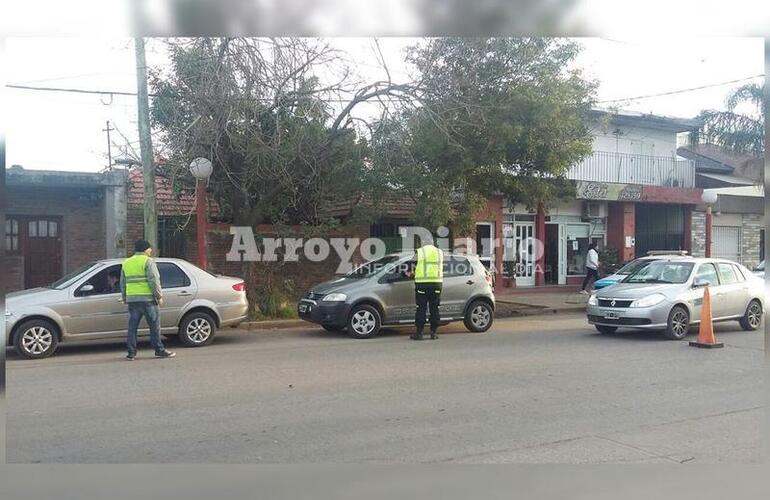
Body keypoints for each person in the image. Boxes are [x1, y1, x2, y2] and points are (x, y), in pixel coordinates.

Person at [120, 239, 175, 360]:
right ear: (145, 249)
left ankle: (131, 353)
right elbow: (154, 280)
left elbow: (123, 282)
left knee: (132, 328)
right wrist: (159, 296)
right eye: (149, 248)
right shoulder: (148, 261)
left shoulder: (126, 262)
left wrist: (125, 297)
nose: (151, 250)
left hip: (133, 300)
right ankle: (159, 350)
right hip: (148, 300)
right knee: (154, 326)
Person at [410, 243, 444, 341]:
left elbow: (411, 267)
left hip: (422, 284)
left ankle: (419, 333)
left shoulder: (420, 252)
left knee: (421, 308)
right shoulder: (439, 252)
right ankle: (434, 333)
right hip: (437, 284)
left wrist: (410, 274)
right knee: (435, 308)